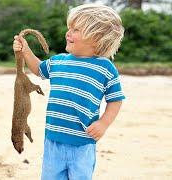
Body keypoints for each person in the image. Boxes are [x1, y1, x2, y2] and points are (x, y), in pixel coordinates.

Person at [13, 4, 125, 180]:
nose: (68, 33)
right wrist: (26, 50)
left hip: (82, 142)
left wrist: (103, 123)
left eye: (75, 30)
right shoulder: (59, 62)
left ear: (96, 38)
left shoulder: (105, 68)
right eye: (69, 28)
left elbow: (115, 100)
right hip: (54, 139)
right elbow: (38, 69)